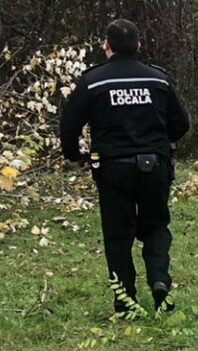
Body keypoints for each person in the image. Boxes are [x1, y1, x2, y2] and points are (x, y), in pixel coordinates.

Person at [59, 19, 190, 314]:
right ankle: (159, 282)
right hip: (155, 167)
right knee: (156, 226)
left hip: (112, 169)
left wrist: (74, 155)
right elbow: (181, 124)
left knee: (118, 234)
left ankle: (126, 300)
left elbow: (69, 126)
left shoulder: (94, 81)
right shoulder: (158, 79)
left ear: (107, 45)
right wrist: (159, 143)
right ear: (139, 45)